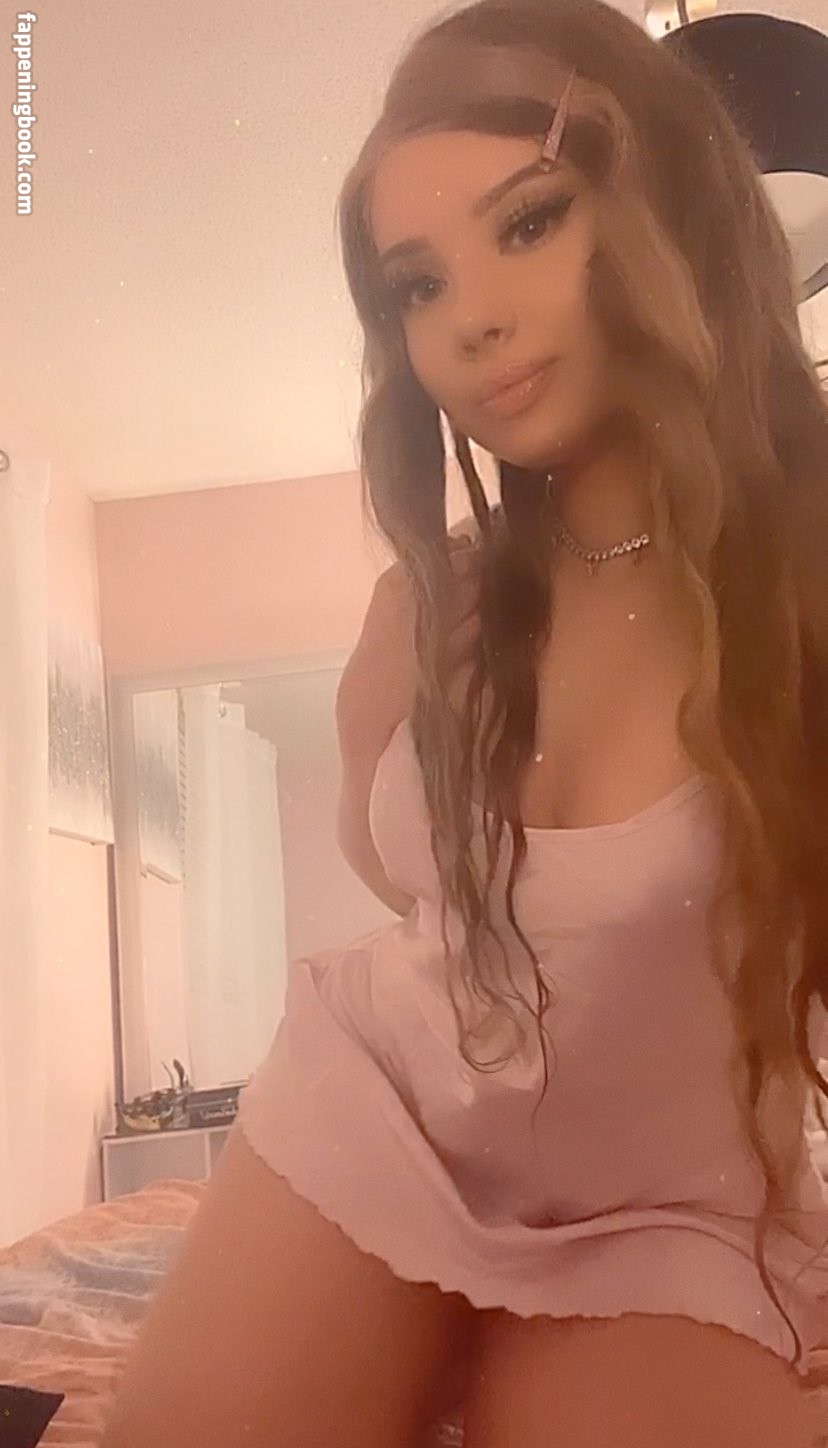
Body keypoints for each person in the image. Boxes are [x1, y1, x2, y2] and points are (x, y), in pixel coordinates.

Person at [101, 1, 828, 1445]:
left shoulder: (800, 585)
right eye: (417, 285)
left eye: (530, 220)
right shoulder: (440, 603)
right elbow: (434, 894)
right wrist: (368, 731)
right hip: (377, 1109)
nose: (469, 318)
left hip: (662, 1210)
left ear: (668, 206)